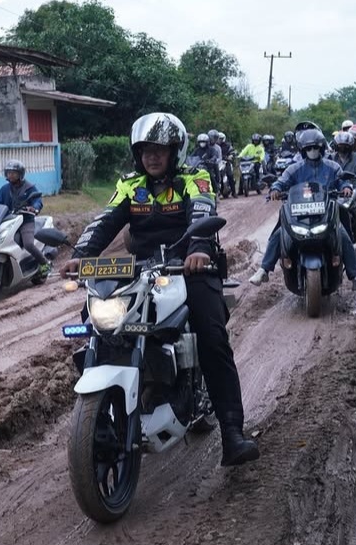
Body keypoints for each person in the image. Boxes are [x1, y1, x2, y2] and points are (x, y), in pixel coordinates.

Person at [62, 112, 260, 467]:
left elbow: (201, 212)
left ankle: (232, 432)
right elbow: (104, 221)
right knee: (97, 323)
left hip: (189, 266)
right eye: (145, 150)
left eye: (160, 150)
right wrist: (80, 256)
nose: (152, 157)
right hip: (141, 268)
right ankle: (103, 414)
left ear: (175, 152)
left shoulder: (194, 179)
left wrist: (198, 249)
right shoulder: (130, 185)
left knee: (212, 337)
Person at [248, 128, 356, 291]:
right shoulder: (294, 168)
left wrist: (346, 187)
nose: (312, 151)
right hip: (298, 215)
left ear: (321, 149)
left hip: (325, 213)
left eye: (315, 148)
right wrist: (275, 189)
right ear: (303, 150)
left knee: (342, 235)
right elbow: (281, 181)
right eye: (308, 148)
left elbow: (343, 181)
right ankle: (264, 270)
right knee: (279, 234)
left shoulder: (332, 167)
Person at [0, 159, 50, 276]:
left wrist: (34, 208)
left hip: (25, 221)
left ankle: (45, 263)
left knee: (28, 244)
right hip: (9, 221)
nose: (11, 175)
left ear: (20, 174)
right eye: (9, 173)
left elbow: (37, 200)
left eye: (14, 173)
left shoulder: (29, 188)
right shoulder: (4, 189)